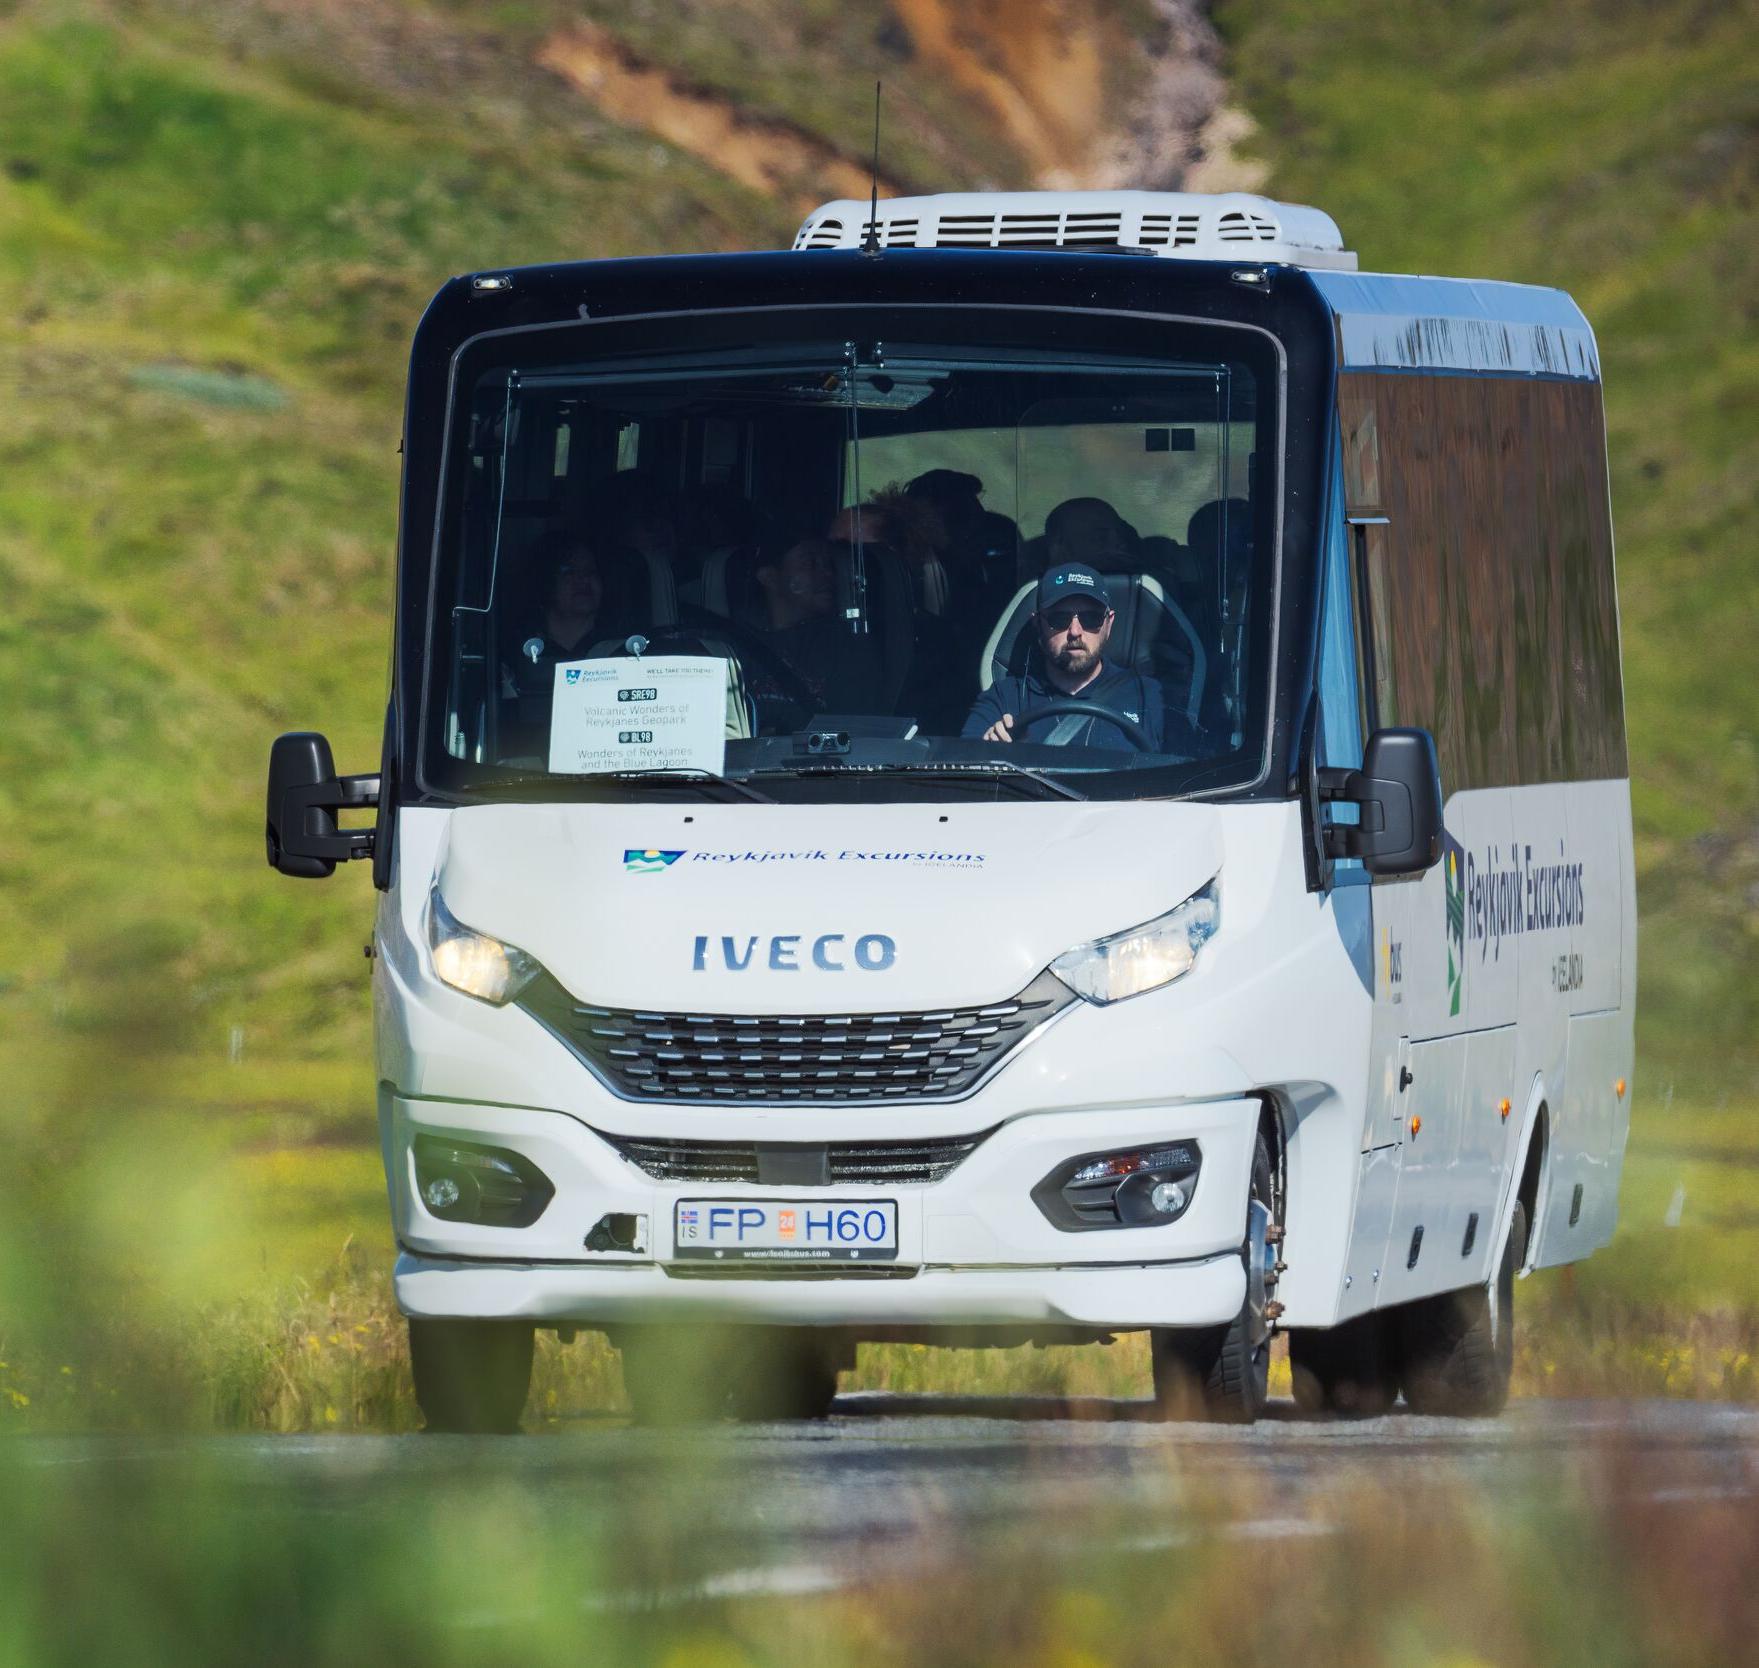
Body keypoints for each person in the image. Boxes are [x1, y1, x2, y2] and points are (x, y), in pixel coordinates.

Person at [961, 562, 1166, 753]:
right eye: (1059, 619)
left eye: (1091, 618)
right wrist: (989, 751)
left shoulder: (1147, 695)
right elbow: (964, 771)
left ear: (1108, 623)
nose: (1075, 631)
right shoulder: (1004, 698)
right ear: (1038, 623)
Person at [751, 536, 881, 716]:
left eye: (828, 564)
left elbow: (853, 727)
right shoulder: (737, 646)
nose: (828, 573)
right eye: (811, 563)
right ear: (769, 577)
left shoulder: (846, 646)